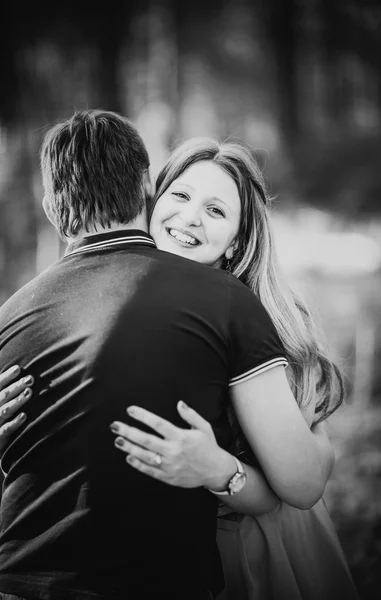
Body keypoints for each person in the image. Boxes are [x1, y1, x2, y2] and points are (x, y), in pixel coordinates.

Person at [0, 130, 359, 599]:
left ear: (236, 242)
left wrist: (222, 468)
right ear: (151, 197)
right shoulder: (95, 304)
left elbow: (299, 482)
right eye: (181, 195)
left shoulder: (252, 314)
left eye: (215, 210)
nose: (189, 217)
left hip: (249, 548)